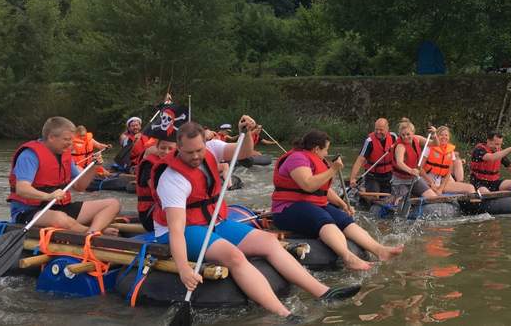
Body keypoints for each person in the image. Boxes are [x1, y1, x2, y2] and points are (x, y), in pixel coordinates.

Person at [151, 123, 359, 320]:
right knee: (234, 256)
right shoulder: (172, 179)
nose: (196, 156)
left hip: (214, 220)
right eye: (189, 152)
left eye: (199, 150)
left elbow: (244, 152)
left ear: (205, 143)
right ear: (178, 148)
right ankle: (284, 314)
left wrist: (247, 133)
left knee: (269, 242)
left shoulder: (212, 149)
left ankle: (324, 293)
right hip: (183, 229)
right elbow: (176, 230)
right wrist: (184, 269)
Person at [272, 130, 404, 271]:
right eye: (326, 149)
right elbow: (308, 185)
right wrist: (333, 169)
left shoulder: (316, 160)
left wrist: (343, 204)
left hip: (310, 205)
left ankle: (380, 250)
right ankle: (348, 258)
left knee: (343, 218)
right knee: (323, 219)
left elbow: (323, 189)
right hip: (286, 209)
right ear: (316, 148)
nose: (327, 153)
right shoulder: (297, 159)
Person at [8, 117, 121, 234]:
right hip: (29, 211)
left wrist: (93, 167)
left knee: (113, 204)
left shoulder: (65, 154)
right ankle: (92, 233)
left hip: (59, 206)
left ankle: (92, 232)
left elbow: (79, 187)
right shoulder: (29, 156)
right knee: (60, 218)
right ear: (51, 137)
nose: (71, 144)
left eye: (72, 140)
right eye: (66, 139)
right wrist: (48, 196)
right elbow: (22, 189)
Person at [421, 126, 489, 196]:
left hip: (441, 183)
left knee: (470, 188)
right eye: (441, 135)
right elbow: (420, 169)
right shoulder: (429, 148)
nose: (444, 137)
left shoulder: (450, 152)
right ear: (436, 136)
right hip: (427, 182)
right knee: (434, 195)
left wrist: (441, 188)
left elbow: (448, 173)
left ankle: (472, 204)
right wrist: (431, 183)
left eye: (446, 135)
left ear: (449, 137)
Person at [391, 118, 438, 203]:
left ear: (413, 133)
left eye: (408, 134)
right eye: (403, 135)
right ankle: (398, 199)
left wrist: (434, 135)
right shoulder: (400, 147)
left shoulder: (417, 139)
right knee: (401, 201)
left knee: (433, 197)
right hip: (400, 181)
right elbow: (399, 163)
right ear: (400, 135)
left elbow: (435, 144)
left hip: (414, 178)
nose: (405, 137)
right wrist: (411, 170)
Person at [348, 118, 397, 193]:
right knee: (374, 197)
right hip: (373, 176)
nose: (378, 132)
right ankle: (363, 193)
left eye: (381, 130)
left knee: (388, 197)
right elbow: (360, 160)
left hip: (388, 175)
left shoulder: (393, 137)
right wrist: (352, 178)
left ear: (387, 129)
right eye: (376, 129)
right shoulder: (369, 141)